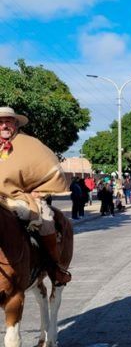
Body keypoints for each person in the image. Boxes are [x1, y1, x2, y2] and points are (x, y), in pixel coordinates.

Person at [0, 106, 72, 284]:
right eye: (0, 122)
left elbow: (49, 168)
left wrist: (40, 192)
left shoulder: (30, 145)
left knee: (45, 220)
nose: (4, 126)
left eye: (8, 121)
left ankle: (54, 268)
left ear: (15, 124)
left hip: (20, 198)